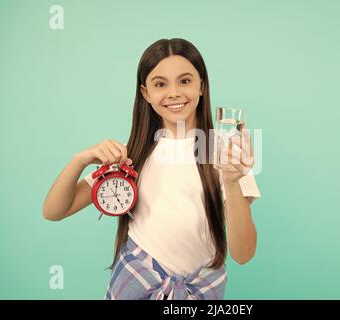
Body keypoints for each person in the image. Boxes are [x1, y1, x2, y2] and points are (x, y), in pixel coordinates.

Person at [42, 38, 261, 300]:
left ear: (201, 86)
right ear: (146, 93)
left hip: (199, 289)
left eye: (185, 81)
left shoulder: (227, 156)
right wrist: (80, 159)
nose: (174, 93)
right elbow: (54, 211)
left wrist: (233, 181)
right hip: (135, 282)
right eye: (160, 84)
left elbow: (243, 253)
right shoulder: (131, 154)